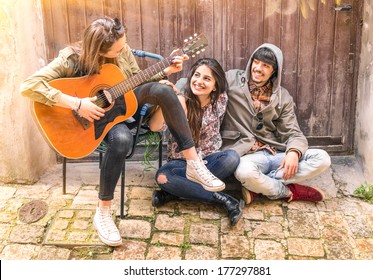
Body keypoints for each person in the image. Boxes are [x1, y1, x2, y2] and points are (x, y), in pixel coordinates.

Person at [20, 17, 225, 246]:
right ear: (99, 49)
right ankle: (103, 213)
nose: (123, 50)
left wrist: (165, 70)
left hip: (125, 105)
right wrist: (77, 104)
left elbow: (134, 80)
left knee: (165, 91)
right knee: (122, 139)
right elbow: (29, 86)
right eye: (117, 49)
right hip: (97, 122)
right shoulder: (71, 58)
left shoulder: (122, 48)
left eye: (123, 45)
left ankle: (193, 164)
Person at [220, 43, 331, 205]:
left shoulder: (282, 96)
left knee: (322, 159)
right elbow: (200, 81)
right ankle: (287, 191)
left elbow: (294, 132)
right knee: (244, 172)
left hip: (274, 154)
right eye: (256, 62)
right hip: (248, 157)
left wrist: (293, 152)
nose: (258, 68)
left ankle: (258, 186)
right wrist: (178, 91)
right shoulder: (231, 79)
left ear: (274, 71)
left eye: (265, 65)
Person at [148, 58, 244, 226]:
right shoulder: (180, 102)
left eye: (207, 78)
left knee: (232, 157)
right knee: (163, 177)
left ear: (215, 86)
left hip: (208, 162)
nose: (199, 81)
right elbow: (155, 126)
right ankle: (224, 200)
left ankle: (174, 194)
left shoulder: (220, 100)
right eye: (197, 75)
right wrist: (166, 100)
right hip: (182, 164)